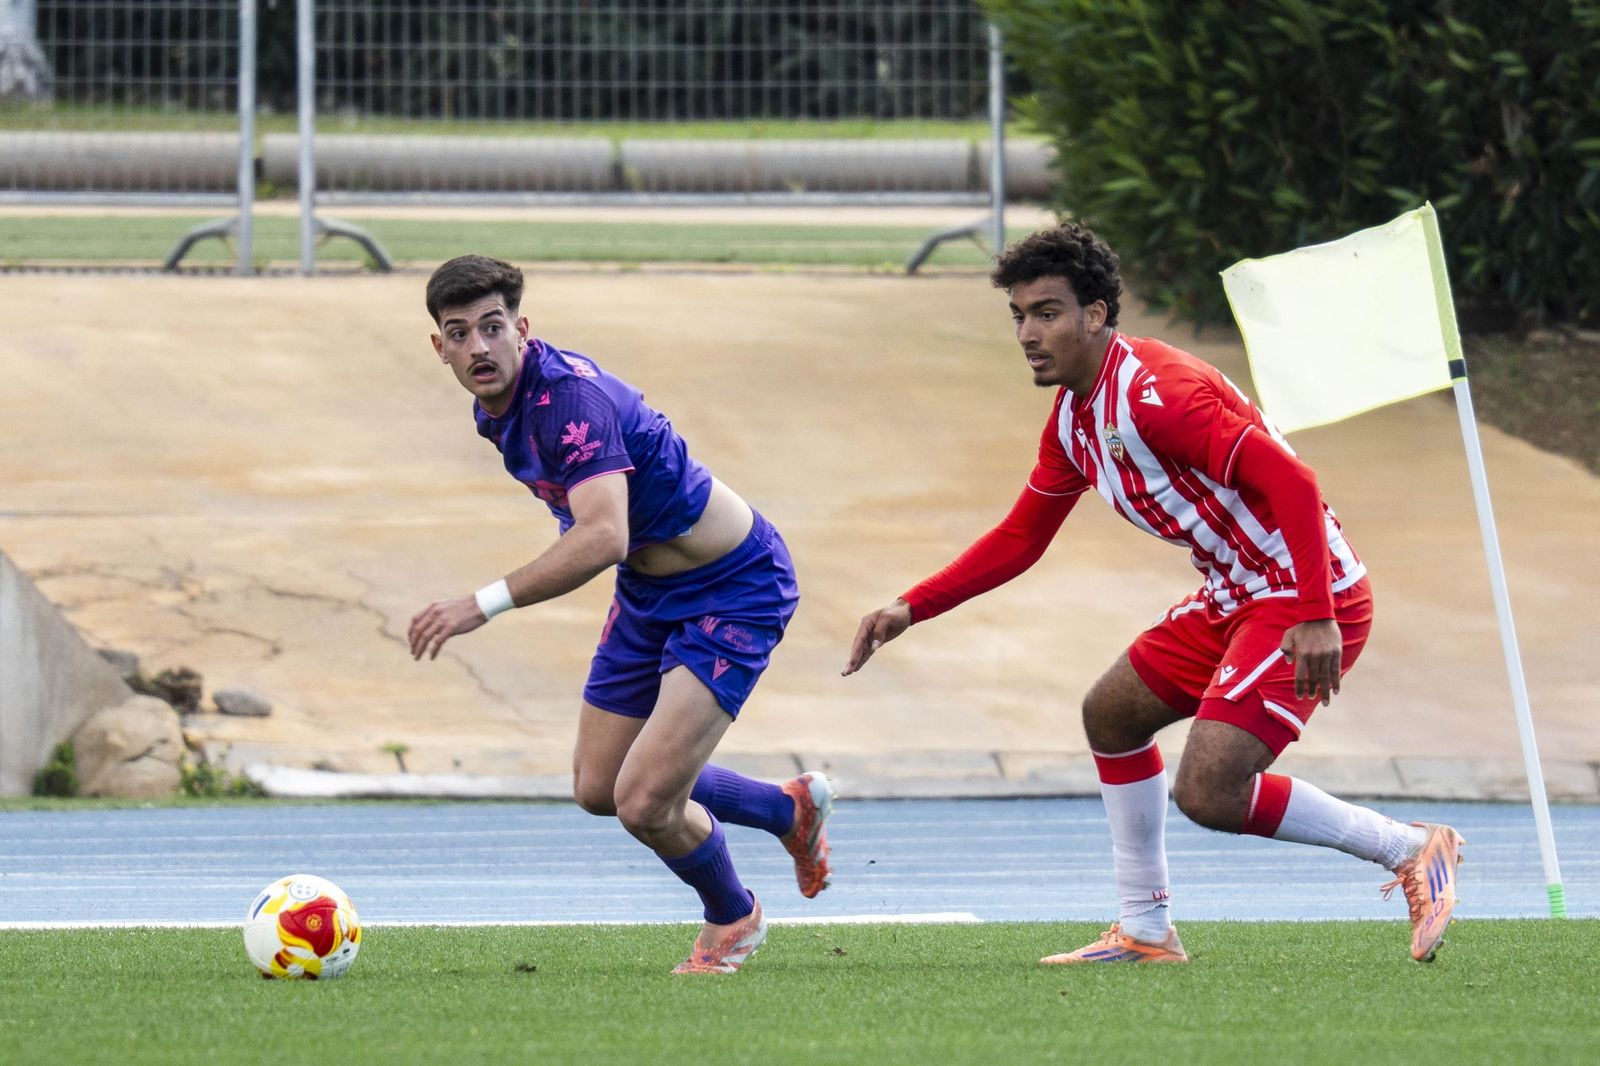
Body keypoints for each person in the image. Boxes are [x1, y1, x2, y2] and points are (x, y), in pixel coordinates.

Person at [844, 224, 1463, 964]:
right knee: (1111, 715)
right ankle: (1145, 929)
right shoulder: (1074, 420)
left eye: (1046, 313)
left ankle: (1411, 848)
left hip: (1302, 593)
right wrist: (911, 607)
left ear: (1096, 315)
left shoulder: (1157, 396)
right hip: (1235, 594)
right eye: (1019, 316)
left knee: (1210, 790)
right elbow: (1020, 538)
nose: (1028, 333)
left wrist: (1315, 615)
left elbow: (1293, 483)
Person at [409, 255, 832, 974]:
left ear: (522, 328)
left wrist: (481, 604)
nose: (479, 346)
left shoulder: (569, 401)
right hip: (649, 594)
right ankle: (785, 809)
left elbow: (605, 535)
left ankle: (733, 918)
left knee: (643, 802)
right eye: (460, 333)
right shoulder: (493, 408)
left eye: (492, 327)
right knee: (599, 788)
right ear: (440, 346)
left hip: (734, 586)